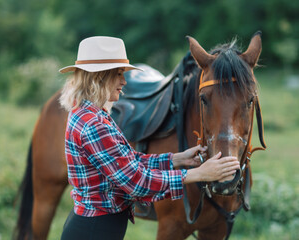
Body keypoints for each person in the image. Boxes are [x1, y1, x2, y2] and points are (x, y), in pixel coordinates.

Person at [59, 36, 240, 240]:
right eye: (118, 74)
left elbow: (129, 162)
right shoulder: (94, 124)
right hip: (95, 230)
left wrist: (177, 159)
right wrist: (197, 174)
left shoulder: (91, 114)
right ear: (100, 77)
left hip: (95, 226)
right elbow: (136, 182)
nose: (124, 81)